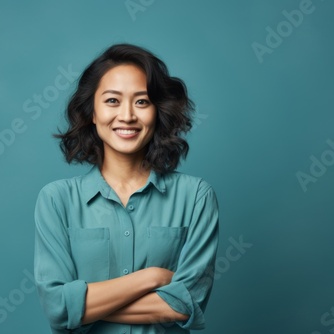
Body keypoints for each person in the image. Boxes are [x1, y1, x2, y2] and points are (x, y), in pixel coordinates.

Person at [33, 43, 219, 334]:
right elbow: (57, 309)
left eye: (142, 102)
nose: (128, 116)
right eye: (112, 101)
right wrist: (152, 277)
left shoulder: (195, 197)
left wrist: (82, 308)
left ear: (158, 111)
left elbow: (185, 305)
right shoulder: (57, 200)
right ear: (92, 112)